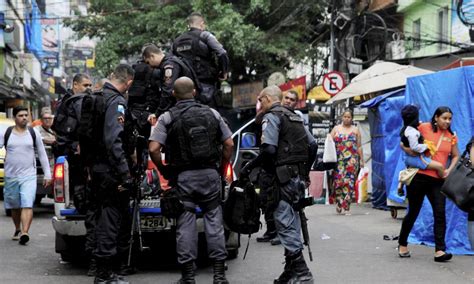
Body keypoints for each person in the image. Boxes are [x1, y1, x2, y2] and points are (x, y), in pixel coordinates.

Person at [149, 77, 233, 284]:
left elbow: (153, 149)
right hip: (210, 176)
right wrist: (222, 167)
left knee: (185, 224)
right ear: (194, 92)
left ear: (174, 94)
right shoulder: (212, 113)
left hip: (184, 178)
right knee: (214, 223)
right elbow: (229, 144)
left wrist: (164, 170)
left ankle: (188, 276)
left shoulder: (167, 117)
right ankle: (219, 276)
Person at [240, 85, 314, 284]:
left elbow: (270, 150)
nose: (259, 104)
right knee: (293, 222)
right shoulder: (294, 116)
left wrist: (250, 166)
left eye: (260, 100)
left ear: (266, 99)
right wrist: (305, 172)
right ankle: (289, 272)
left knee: (284, 223)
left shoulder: (272, 116)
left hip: (281, 180)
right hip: (296, 179)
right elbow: (313, 145)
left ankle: (302, 272)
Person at [87, 64, 134, 284]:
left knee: (101, 219)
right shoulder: (116, 102)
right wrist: (125, 174)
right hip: (111, 172)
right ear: (129, 83)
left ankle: (102, 271)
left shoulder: (96, 97)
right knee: (111, 221)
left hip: (95, 170)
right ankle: (104, 275)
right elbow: (113, 141)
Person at [398, 106, 459, 262]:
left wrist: (448, 170)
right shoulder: (423, 127)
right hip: (419, 176)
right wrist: (407, 149)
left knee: (440, 213)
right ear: (436, 118)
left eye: (450, 119)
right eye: (444, 118)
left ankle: (440, 250)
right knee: (413, 211)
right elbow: (405, 139)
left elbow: (455, 156)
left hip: (438, 180)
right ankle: (402, 244)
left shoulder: (451, 136)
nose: (447, 121)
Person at [1, 106, 52, 245]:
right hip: (11, 176)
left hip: (29, 175)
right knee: (15, 206)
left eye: (26, 115)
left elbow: (42, 153)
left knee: (27, 204)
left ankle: (25, 232)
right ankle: (17, 228)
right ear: (14, 118)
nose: (24, 118)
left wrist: (48, 174)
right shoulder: (7, 133)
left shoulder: (33, 132)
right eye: (20, 115)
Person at [172, 12, 229, 109]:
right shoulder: (205, 36)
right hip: (206, 87)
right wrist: (223, 71)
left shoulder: (176, 41)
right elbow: (222, 53)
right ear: (202, 24)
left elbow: (171, 61)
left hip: (184, 90)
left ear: (188, 24)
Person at [142, 44, 199, 124]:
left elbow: (167, 92)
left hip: (184, 107)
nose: (150, 66)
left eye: (148, 62)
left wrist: (157, 114)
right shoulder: (172, 60)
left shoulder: (169, 65)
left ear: (152, 56)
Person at [329, 109, 364, 214]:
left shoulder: (356, 130)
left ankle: (346, 203)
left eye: (349, 117)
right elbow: (329, 144)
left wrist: (362, 160)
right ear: (341, 117)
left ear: (352, 118)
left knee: (349, 183)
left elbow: (359, 146)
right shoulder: (336, 129)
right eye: (345, 117)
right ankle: (339, 202)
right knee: (339, 182)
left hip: (351, 161)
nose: (346, 119)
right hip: (339, 161)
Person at [399, 105, 446, 179]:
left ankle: (400, 184)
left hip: (409, 157)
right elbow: (414, 147)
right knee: (439, 167)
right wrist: (427, 146)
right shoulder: (412, 133)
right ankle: (444, 181)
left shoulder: (406, 128)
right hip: (414, 158)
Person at [34, 108, 56, 180]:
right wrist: (48, 140)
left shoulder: (54, 130)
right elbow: (40, 139)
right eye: (45, 118)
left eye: (49, 118)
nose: (47, 120)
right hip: (38, 162)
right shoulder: (36, 129)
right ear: (41, 120)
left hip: (52, 161)